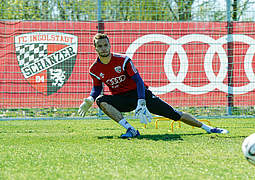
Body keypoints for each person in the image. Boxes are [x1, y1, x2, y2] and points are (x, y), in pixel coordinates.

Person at [78, 33, 229, 138]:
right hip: (121, 99)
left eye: (105, 45)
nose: (103, 48)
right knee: (101, 100)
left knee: (174, 115)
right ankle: (130, 129)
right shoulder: (94, 69)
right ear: (95, 48)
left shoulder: (123, 60)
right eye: (100, 46)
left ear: (110, 45)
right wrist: (90, 99)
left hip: (141, 95)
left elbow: (138, 81)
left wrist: (141, 101)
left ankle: (209, 129)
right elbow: (97, 88)